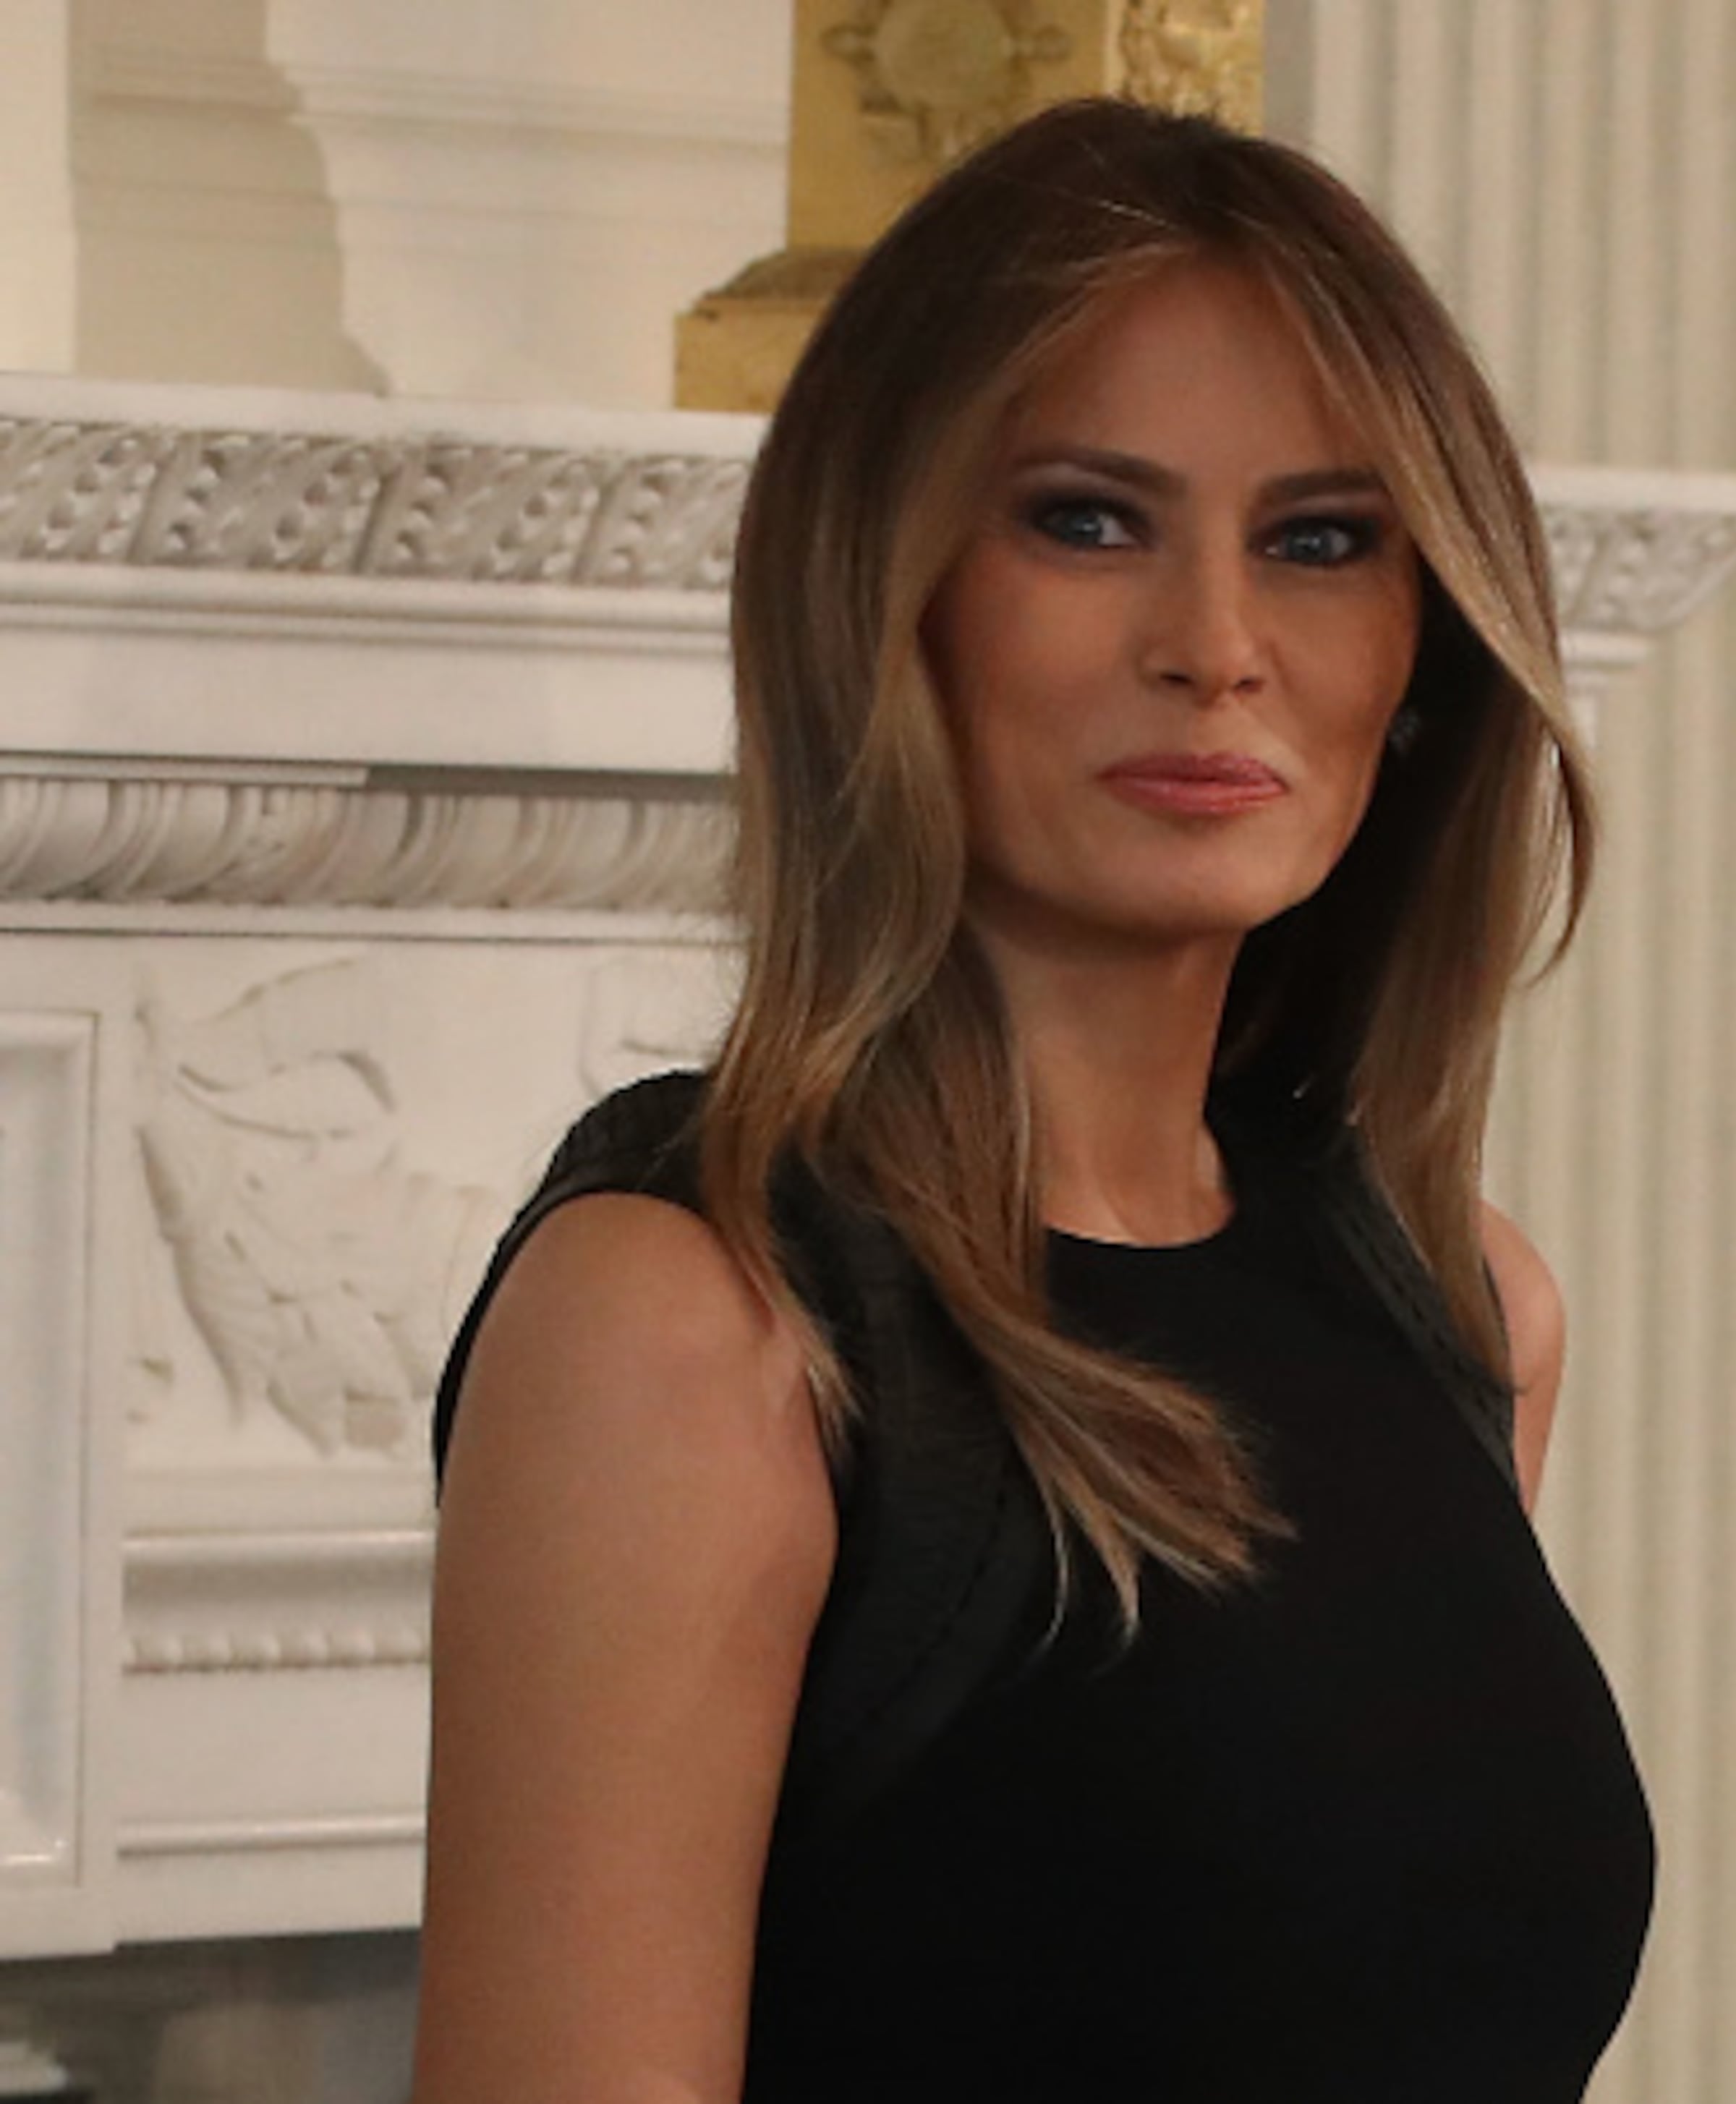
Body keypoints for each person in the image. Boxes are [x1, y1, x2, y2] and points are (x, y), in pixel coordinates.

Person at [412, 97, 1652, 2104]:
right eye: (1086, 518)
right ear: (881, 588)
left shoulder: (1467, 1312)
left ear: (1426, 646)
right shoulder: (694, 1327)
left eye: (1323, 543)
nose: (1217, 649)